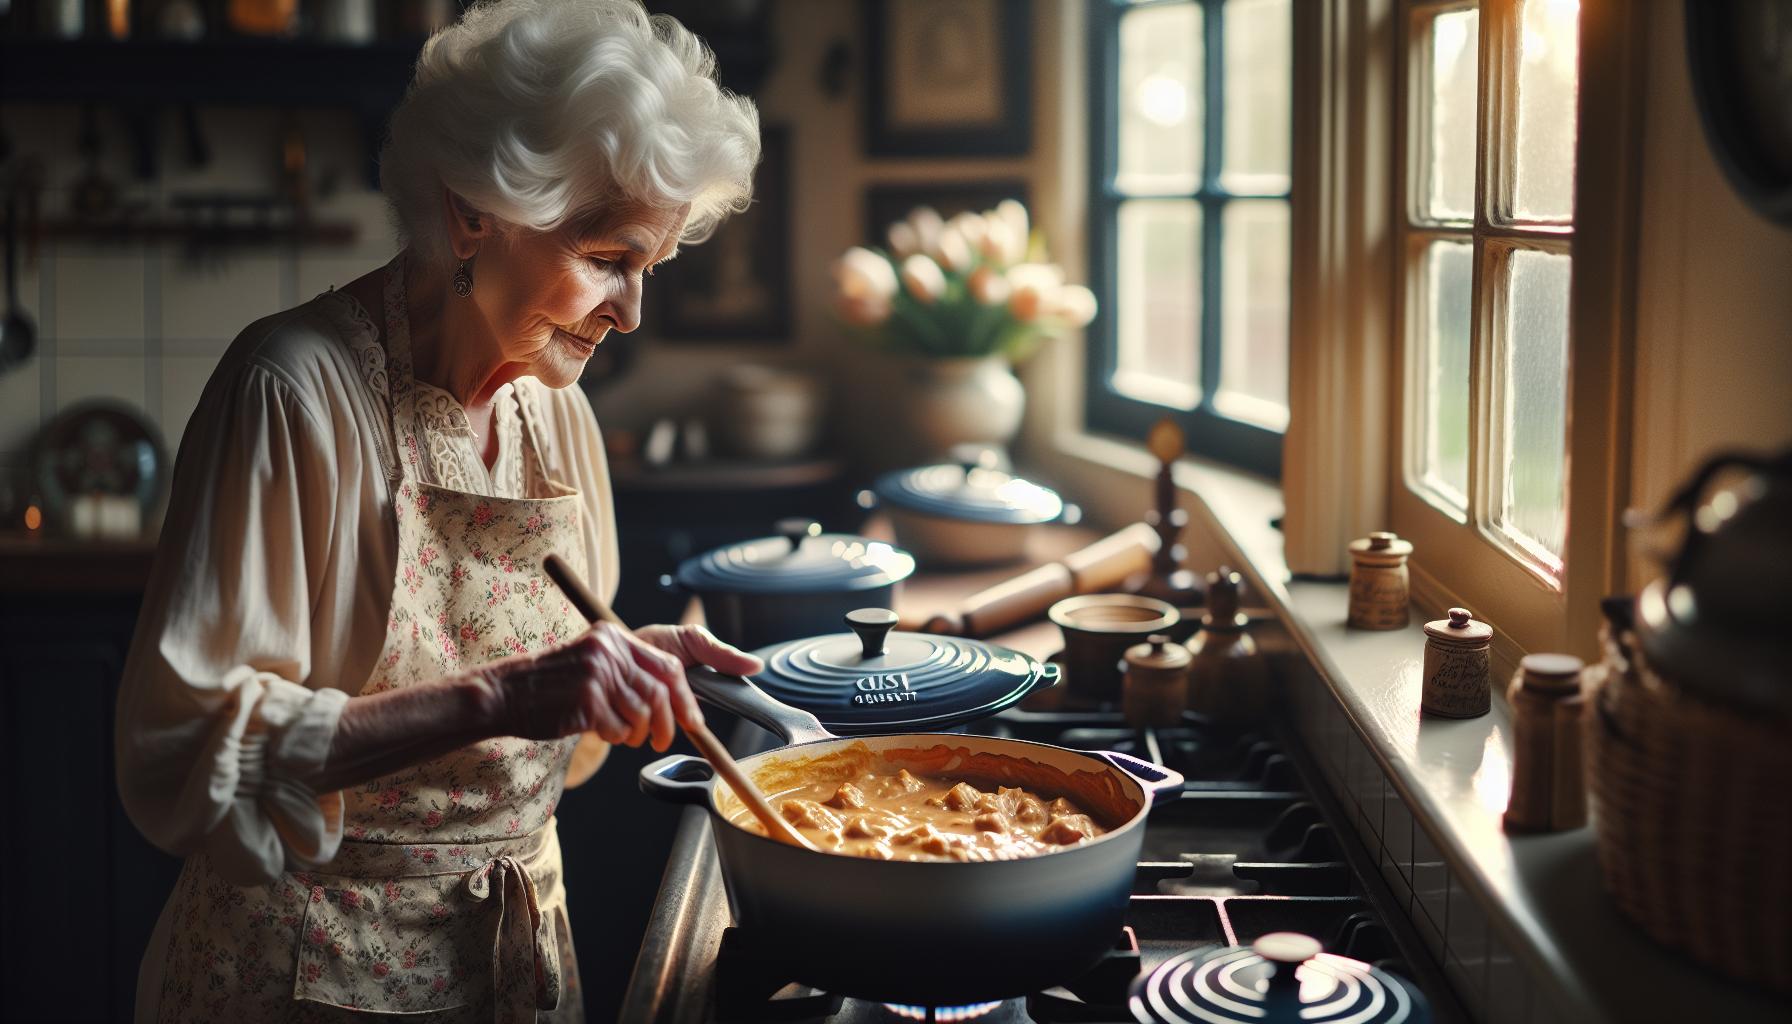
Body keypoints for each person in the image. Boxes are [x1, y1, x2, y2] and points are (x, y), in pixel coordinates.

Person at [114, 2, 762, 1019]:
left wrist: (614, 667)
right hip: (304, 973)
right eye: (606, 259)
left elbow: (546, 723)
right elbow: (187, 748)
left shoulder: (558, 413)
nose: (632, 312)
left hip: (513, 955)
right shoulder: (294, 390)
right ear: (470, 212)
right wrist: (509, 695)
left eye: (651, 268)